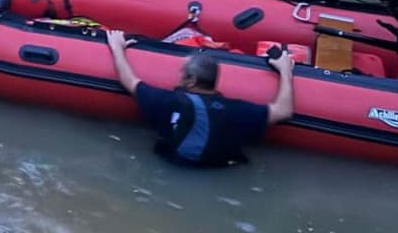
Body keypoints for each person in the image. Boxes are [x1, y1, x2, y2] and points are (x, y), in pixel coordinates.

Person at [105, 29, 294, 167]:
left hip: (172, 165)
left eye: (182, 74)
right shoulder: (236, 110)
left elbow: (128, 80)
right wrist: (285, 71)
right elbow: (284, 111)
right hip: (221, 170)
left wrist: (117, 47)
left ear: (192, 80)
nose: (179, 77)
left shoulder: (167, 102)